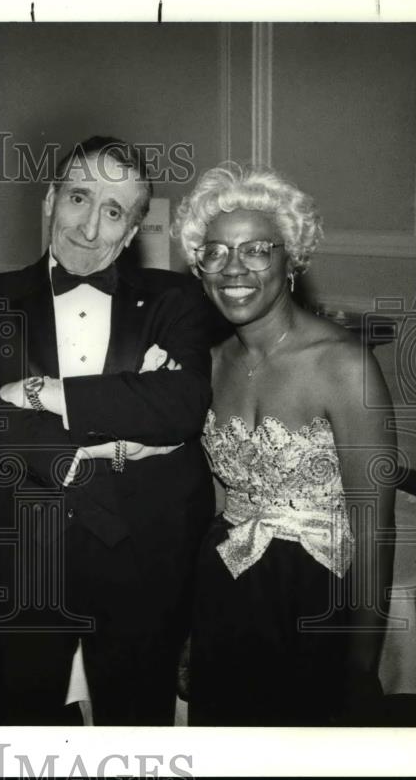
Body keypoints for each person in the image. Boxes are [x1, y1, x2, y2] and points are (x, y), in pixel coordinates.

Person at [0, 135, 216, 725]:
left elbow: (183, 404)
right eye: (78, 198)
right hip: (22, 566)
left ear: (134, 228)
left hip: (142, 567)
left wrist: (44, 394)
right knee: (16, 742)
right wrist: (86, 448)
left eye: (113, 211)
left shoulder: (177, 299)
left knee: (136, 739)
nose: (89, 228)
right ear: (50, 199)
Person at [173, 163, 396, 725]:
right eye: (216, 252)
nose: (233, 269)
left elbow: (375, 527)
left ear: (289, 260)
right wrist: (191, 629)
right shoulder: (211, 363)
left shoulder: (343, 365)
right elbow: (218, 506)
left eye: (255, 250)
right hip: (226, 587)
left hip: (319, 595)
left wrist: (361, 667)